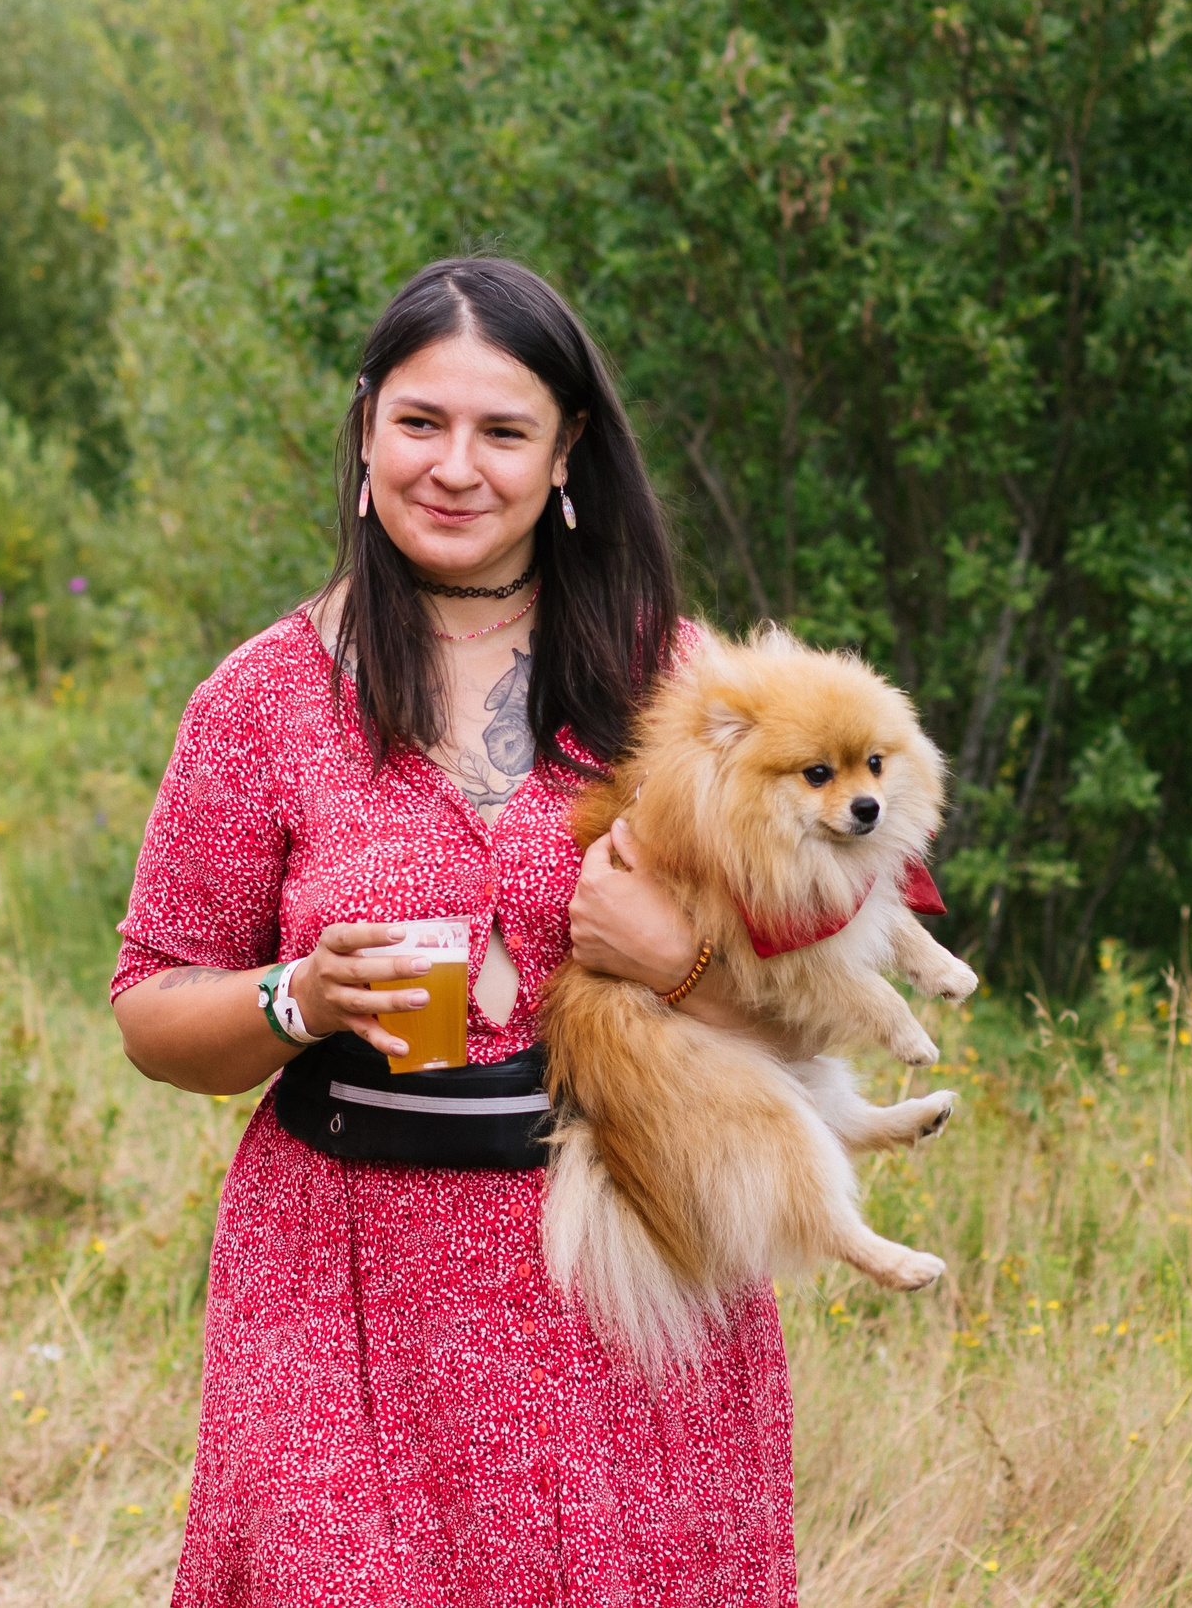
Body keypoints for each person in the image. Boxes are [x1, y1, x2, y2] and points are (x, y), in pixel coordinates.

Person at [112, 256, 796, 1606]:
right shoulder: (263, 698)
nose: (456, 467)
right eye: (421, 421)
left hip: (627, 1260)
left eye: (504, 431)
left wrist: (678, 961)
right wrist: (296, 999)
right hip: (341, 1282)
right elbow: (150, 1004)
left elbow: (817, 998)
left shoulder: (683, 684)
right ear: (367, 428)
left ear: (568, 453)